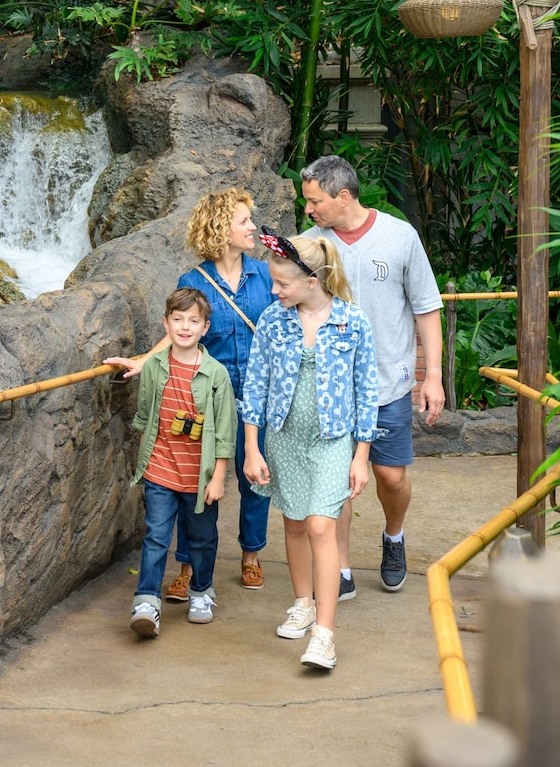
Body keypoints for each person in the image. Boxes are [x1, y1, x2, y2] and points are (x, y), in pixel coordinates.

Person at [105, 190, 276, 598]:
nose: (252, 227)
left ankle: (251, 555)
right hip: (206, 397)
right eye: (243, 221)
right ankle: (188, 566)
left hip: (255, 394)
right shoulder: (193, 281)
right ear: (221, 228)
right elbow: (180, 333)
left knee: (255, 475)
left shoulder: (266, 275)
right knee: (195, 478)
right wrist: (144, 361)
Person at [299, 155, 444, 600]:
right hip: (329, 386)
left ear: (344, 196)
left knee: (390, 477)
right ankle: (339, 566)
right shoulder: (308, 245)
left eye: (315, 201)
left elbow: (426, 306)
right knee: (335, 480)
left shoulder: (400, 237)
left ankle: (394, 536)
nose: (309, 210)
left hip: (388, 385)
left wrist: (432, 376)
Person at [241, 233, 377, 670]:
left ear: (314, 280)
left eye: (282, 283)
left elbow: (366, 391)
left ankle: (325, 633)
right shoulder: (272, 320)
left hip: (333, 441)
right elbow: (255, 385)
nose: (275, 291)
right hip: (284, 438)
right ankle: (302, 602)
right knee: (296, 523)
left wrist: (361, 455)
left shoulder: (353, 322)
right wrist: (251, 447)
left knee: (322, 526)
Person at [125, 288, 237, 638]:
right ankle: (146, 601)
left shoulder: (216, 374)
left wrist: (218, 478)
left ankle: (202, 591)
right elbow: (145, 418)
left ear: (205, 327)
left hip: (199, 476)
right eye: (177, 320)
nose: (184, 327)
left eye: (193, 321)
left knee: (202, 538)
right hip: (160, 469)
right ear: (166, 323)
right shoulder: (156, 367)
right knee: (156, 535)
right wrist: (143, 465)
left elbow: (223, 432)